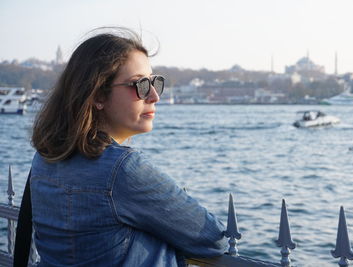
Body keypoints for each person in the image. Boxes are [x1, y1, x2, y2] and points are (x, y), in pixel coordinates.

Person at [30, 28, 227, 266]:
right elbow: (214, 238)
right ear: (97, 96)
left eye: (155, 82)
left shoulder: (46, 158)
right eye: (140, 85)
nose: (154, 95)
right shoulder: (122, 170)